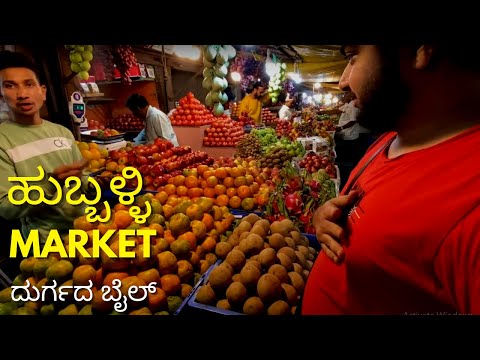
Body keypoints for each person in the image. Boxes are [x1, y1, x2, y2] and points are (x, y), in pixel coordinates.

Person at [302, 45, 480, 315]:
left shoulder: (472, 202)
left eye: (353, 57)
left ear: (422, 50)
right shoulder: (392, 140)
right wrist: (325, 218)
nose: (343, 81)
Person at [0, 50, 89, 246]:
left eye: (29, 84)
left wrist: (92, 183)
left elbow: (81, 180)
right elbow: (6, 208)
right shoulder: (2, 141)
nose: (22, 94)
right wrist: (51, 183)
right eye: (10, 86)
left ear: (43, 92)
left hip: (86, 232)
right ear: (1, 95)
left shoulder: (63, 132)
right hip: (46, 245)